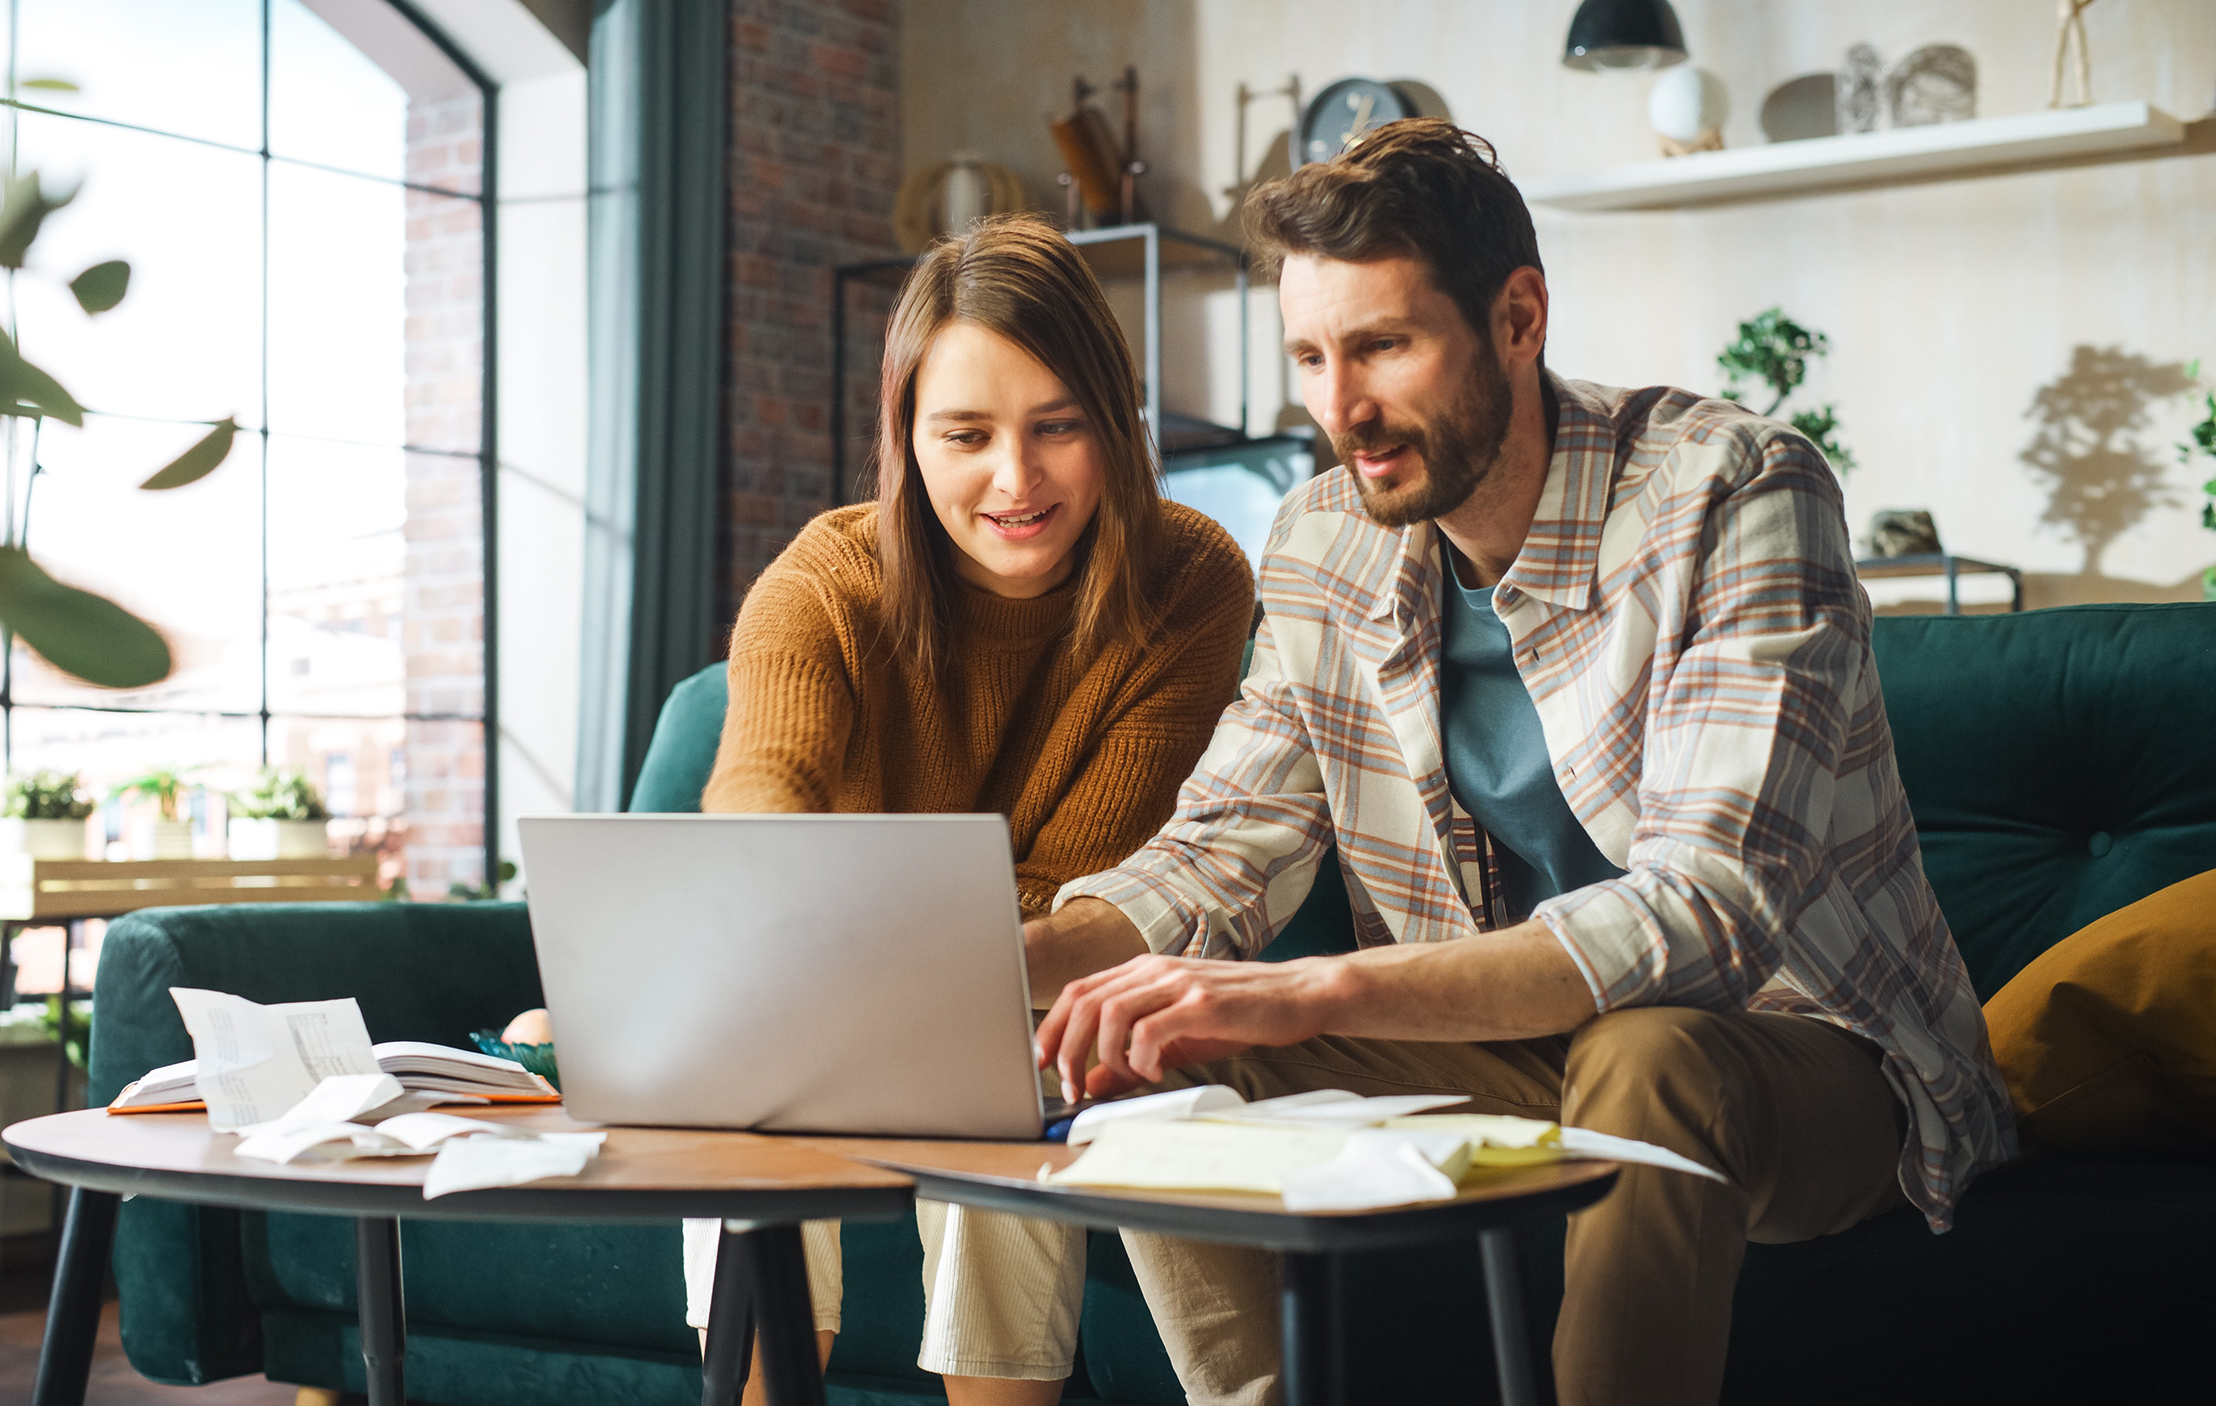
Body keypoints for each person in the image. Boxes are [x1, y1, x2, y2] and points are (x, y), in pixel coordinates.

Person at [1022, 120, 2016, 1406]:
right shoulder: (1322, 539)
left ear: (1518, 316)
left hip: (1807, 1053)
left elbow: (1708, 913)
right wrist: (996, 966)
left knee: (1651, 1054)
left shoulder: (1734, 489)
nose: (1342, 410)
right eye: (1313, 358)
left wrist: (1316, 988)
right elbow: (1222, 842)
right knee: (1159, 1045)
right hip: (1513, 1048)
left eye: (1383, 346)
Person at [511, 213, 1254, 1405]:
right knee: (747, 1101)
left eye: (1057, 426)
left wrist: (904, 962)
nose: (1016, 479)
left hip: (1036, 984)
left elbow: (1098, 884)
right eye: (965, 433)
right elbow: (756, 816)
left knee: (997, 1088)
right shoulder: (827, 579)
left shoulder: (1190, 577)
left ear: (1115, 423)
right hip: (810, 985)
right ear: (905, 438)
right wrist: (800, 949)